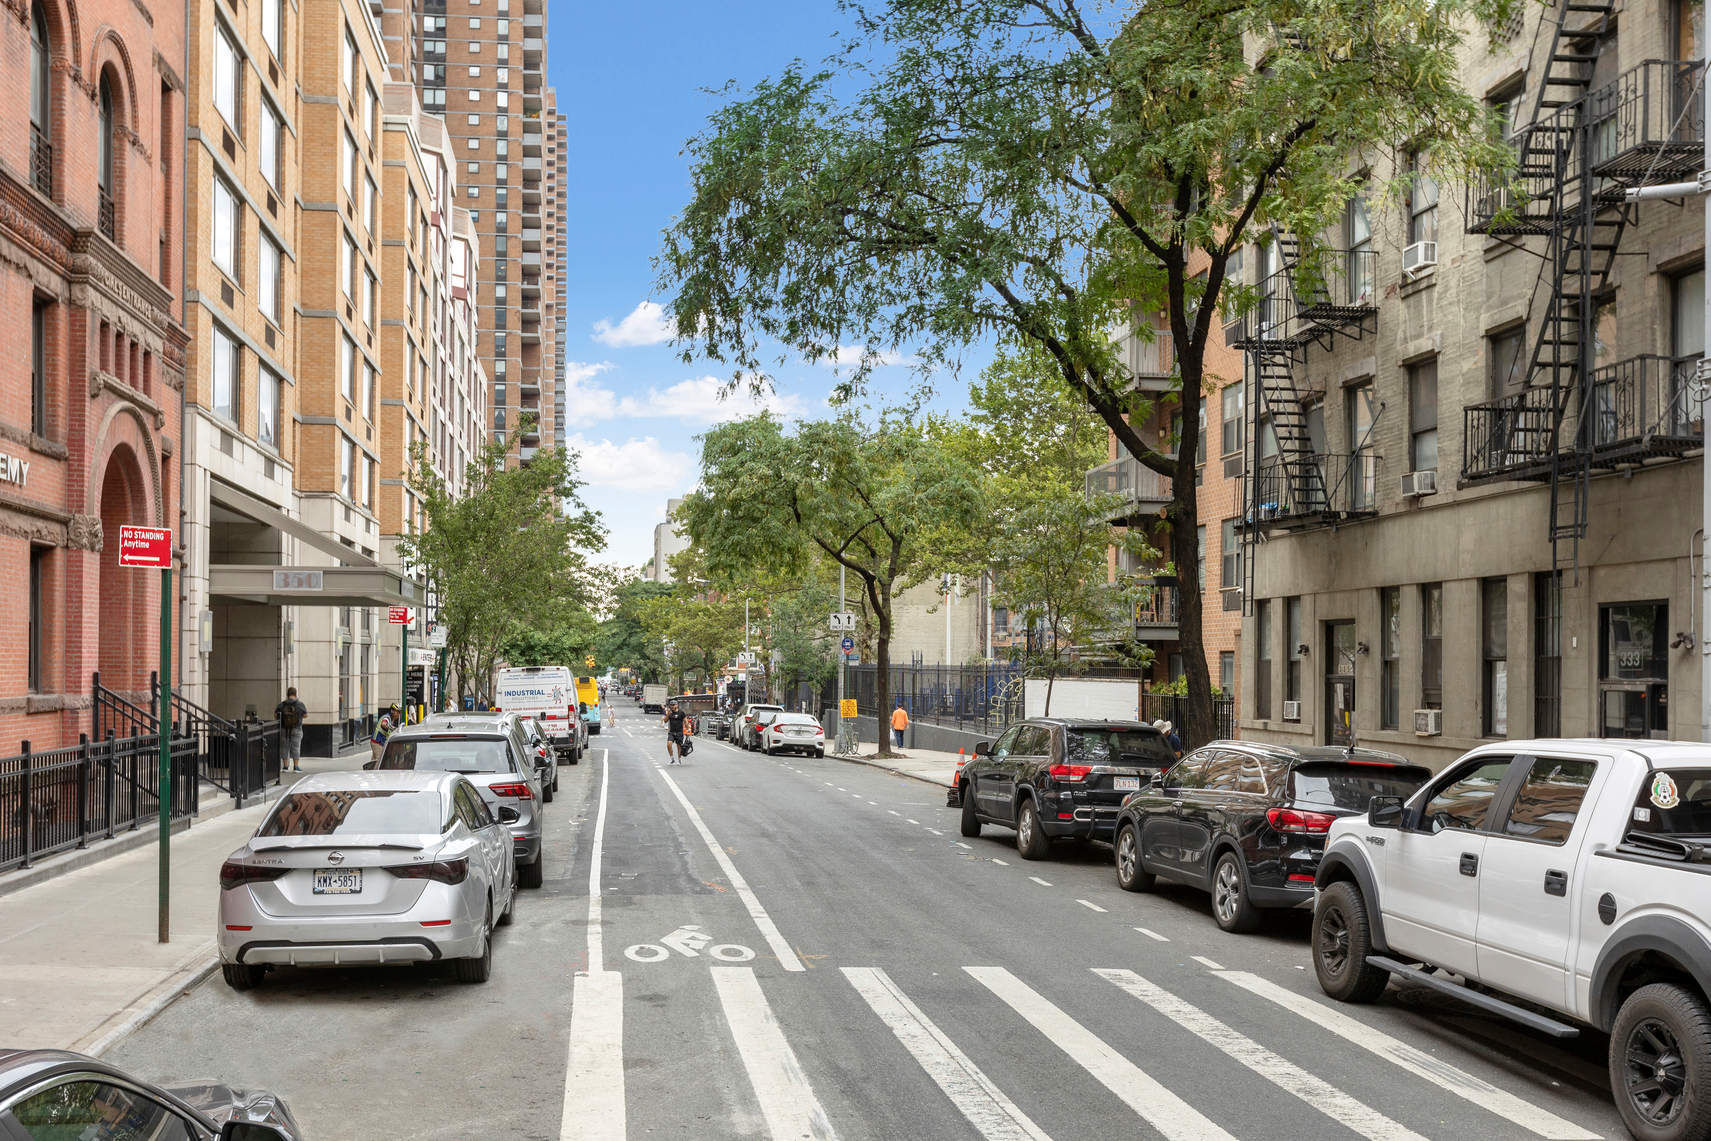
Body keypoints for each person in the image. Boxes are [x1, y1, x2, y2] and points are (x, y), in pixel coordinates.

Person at [275, 686, 307, 772]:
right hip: (296, 729)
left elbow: (275, 715)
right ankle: (296, 767)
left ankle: (285, 767)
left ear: (287, 694)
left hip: (284, 729)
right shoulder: (300, 704)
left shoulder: (281, 705)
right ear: (295, 694)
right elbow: (305, 715)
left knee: (284, 747)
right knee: (296, 747)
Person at [662, 699, 687, 764]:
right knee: (669, 744)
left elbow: (685, 721)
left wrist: (687, 729)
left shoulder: (681, 712)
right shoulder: (670, 713)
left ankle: (679, 759)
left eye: (674, 705)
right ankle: (672, 759)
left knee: (679, 747)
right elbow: (665, 721)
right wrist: (668, 714)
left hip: (679, 732)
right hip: (672, 732)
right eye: (671, 705)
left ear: (677, 705)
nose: (672, 706)